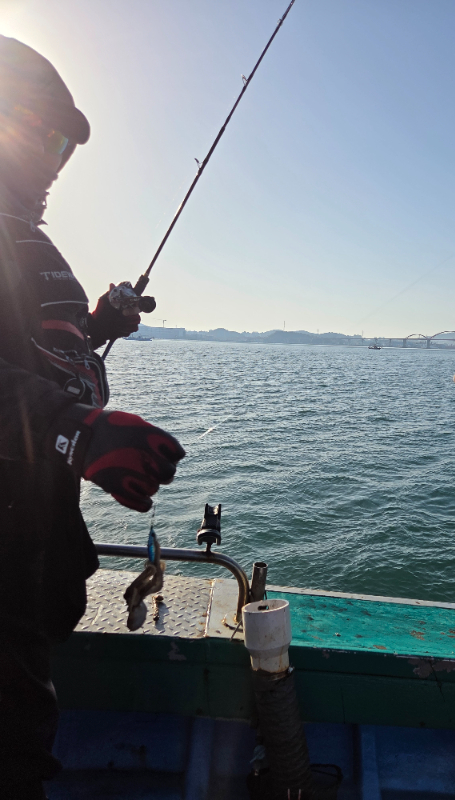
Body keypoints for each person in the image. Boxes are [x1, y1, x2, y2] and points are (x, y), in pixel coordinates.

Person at [0, 36, 186, 799]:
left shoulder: (24, 238)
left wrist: (98, 324)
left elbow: (26, 347)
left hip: (28, 558)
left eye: (63, 146)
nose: (53, 161)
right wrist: (75, 429)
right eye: (39, 133)